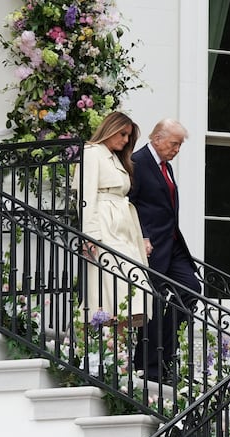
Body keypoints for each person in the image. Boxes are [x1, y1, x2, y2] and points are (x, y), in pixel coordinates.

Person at [130, 118, 200, 382]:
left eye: (180, 145)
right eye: (174, 144)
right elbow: (130, 203)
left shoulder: (165, 166)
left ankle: (165, 355)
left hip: (173, 245)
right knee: (154, 303)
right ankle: (150, 365)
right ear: (157, 138)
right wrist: (143, 236)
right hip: (151, 246)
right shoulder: (137, 162)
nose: (177, 149)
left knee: (191, 291)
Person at [76, 111, 153, 330]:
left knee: (129, 286)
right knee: (109, 287)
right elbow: (86, 196)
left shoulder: (116, 159)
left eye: (128, 136)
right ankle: (102, 346)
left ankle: (118, 353)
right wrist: (89, 236)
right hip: (104, 224)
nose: (126, 140)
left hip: (123, 226)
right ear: (110, 129)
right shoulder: (92, 152)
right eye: (122, 134)